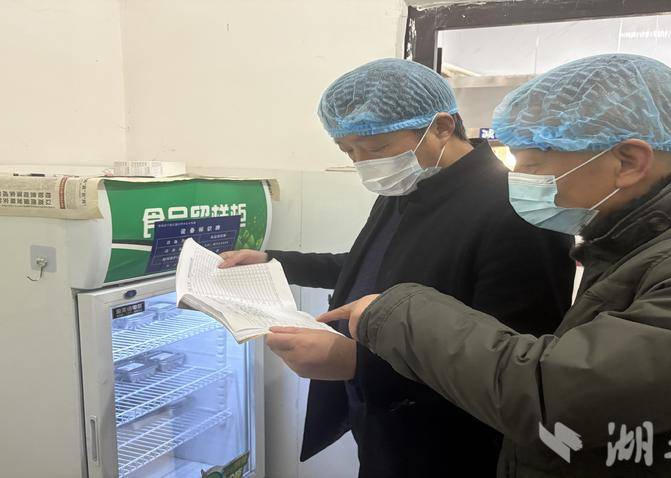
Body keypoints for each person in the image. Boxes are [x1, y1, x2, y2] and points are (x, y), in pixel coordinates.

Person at [323, 54, 671, 476]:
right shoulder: (642, 235)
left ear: (629, 161)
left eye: (533, 165)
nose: (519, 180)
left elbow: (559, 394)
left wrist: (395, 312)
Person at [220, 58, 575, 477]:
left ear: (441, 127)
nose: (363, 163)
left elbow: (514, 373)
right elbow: (371, 266)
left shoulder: (516, 214)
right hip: (382, 424)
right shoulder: (408, 186)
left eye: (375, 149)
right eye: (348, 151)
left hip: (452, 447)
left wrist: (358, 364)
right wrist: (275, 261)